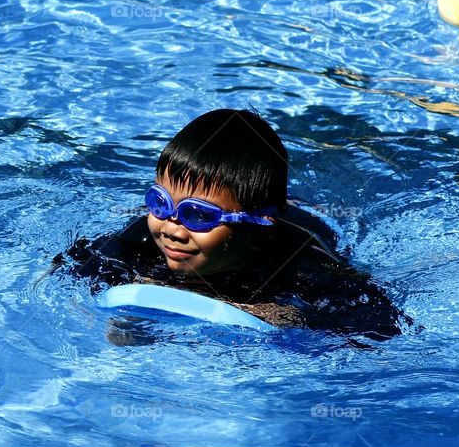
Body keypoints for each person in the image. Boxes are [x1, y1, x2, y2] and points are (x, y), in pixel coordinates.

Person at [54, 108, 410, 342]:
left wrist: (285, 319)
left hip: (312, 220)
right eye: (159, 203)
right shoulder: (143, 235)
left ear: (256, 230)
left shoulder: (306, 267)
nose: (172, 229)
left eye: (199, 216)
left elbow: (379, 330)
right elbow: (69, 267)